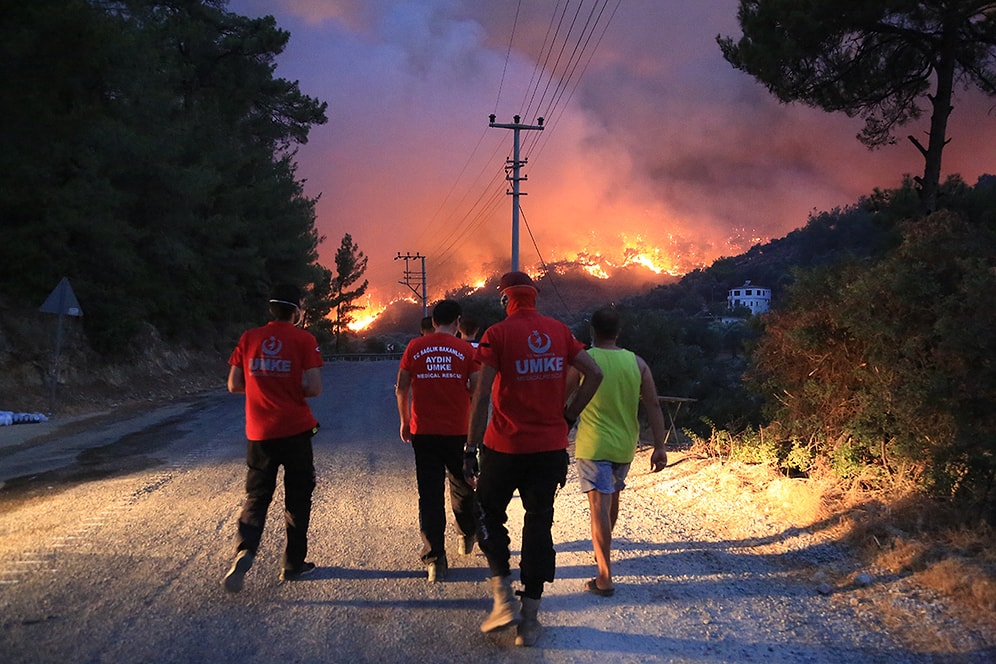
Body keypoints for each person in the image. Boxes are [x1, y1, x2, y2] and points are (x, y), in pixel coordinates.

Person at [464, 271, 603, 647]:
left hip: (504, 448)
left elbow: (481, 393)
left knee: (487, 513)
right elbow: (595, 373)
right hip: (548, 449)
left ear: (505, 300)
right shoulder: (559, 332)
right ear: (534, 298)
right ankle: (530, 621)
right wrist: (568, 417)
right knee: (539, 524)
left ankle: (502, 594)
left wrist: (470, 446)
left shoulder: (496, 335)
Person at [223, 284, 324, 592]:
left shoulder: (249, 338)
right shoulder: (304, 339)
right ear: (296, 311)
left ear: (271, 309)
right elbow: (315, 388)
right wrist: (290, 389)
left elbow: (233, 384)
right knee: (297, 497)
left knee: (257, 495)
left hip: (259, 433)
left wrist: (260, 388)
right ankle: (293, 564)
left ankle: (246, 549)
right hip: (295, 431)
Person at [565, 306, 668, 598]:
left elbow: (563, 395)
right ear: (618, 332)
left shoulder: (584, 360)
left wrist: (556, 429)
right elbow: (653, 405)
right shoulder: (637, 363)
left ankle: (605, 576)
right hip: (625, 446)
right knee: (611, 502)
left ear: (592, 332)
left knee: (598, 507)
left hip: (593, 443)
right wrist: (659, 446)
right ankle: (603, 557)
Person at [395, 299, 481, 582]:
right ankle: (467, 533)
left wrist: (405, 421)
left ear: (433, 322)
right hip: (457, 430)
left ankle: (434, 560)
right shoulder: (466, 349)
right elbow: (477, 388)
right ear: (458, 321)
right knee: (463, 485)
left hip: (425, 432)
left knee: (429, 494)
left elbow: (402, 387)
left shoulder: (414, 347)